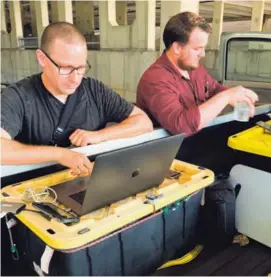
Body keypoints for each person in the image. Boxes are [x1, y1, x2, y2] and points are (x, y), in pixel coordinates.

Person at [1, 22, 153, 176]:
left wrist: (99, 136)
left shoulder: (95, 91)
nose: (75, 79)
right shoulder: (18, 96)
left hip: (89, 184)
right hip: (36, 191)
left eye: (80, 68)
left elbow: (143, 122)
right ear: (42, 59)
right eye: (66, 68)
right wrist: (60, 155)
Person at [137, 12, 258, 136]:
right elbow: (181, 126)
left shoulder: (193, 68)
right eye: (197, 48)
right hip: (173, 150)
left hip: (200, 138)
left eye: (203, 48)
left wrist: (237, 96)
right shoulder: (156, 80)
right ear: (177, 48)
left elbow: (214, 89)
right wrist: (226, 97)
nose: (203, 54)